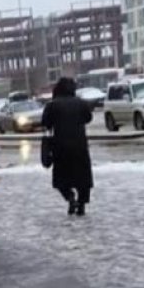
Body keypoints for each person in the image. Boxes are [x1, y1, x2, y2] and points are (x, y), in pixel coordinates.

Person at [41, 77, 94, 216]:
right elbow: (88, 118)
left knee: (61, 178)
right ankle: (81, 205)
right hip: (80, 146)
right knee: (83, 178)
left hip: (60, 147)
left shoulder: (52, 105)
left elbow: (45, 123)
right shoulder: (81, 103)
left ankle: (70, 198)